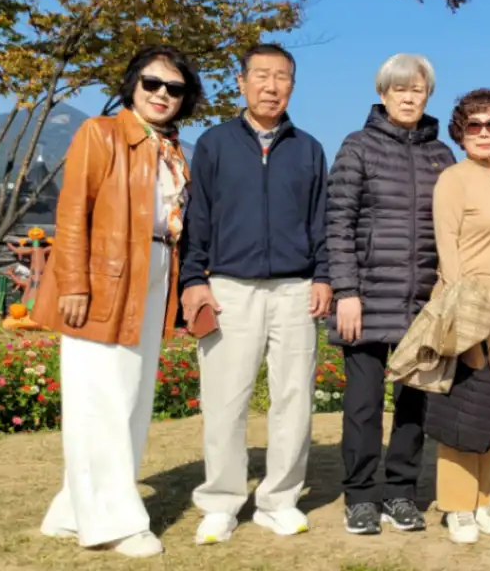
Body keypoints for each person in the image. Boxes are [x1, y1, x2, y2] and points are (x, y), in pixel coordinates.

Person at [35, 45, 203, 558]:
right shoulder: (101, 133)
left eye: (174, 88)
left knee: (129, 399)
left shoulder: (170, 148)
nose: (161, 94)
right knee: (101, 399)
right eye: (152, 83)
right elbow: (72, 213)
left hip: (153, 272)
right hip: (104, 277)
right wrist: (74, 284)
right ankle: (114, 521)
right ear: (132, 84)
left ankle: (72, 510)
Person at [180, 43, 333, 544]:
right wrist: (193, 279)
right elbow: (197, 217)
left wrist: (325, 276)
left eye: (282, 77)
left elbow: (321, 223)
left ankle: (278, 500)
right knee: (225, 400)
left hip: (295, 288)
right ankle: (221, 503)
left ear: (293, 85)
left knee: (294, 399)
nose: (272, 86)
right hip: (228, 287)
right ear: (241, 82)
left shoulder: (308, 148)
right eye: (262, 76)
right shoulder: (214, 143)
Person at [327, 53, 456, 536]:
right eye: (398, 89)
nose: (407, 97)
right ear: (382, 94)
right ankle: (360, 497)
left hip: (422, 302)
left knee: (413, 405)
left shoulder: (442, 155)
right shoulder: (357, 147)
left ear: (427, 96)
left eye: (417, 90)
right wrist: (346, 290)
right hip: (364, 299)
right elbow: (337, 222)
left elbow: (450, 229)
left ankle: (401, 493)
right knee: (362, 404)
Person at [430, 89, 490, 544]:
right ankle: (456, 505)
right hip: (468, 305)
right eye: (474, 125)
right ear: (461, 131)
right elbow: (446, 248)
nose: (484, 133)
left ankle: (484, 499)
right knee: (463, 406)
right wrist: (460, 309)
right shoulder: (453, 179)